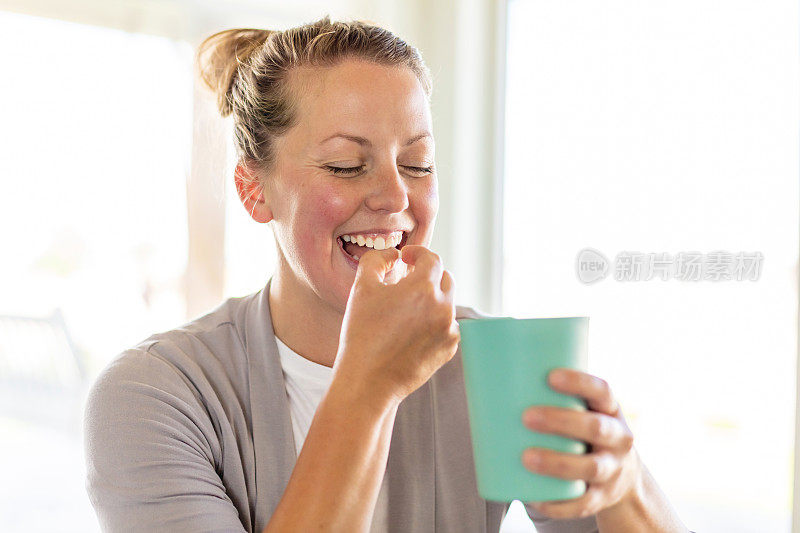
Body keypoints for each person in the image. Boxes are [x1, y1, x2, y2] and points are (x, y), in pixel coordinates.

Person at [83, 16, 690, 533]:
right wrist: (372, 380)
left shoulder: (492, 365)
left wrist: (624, 484)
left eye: (417, 163)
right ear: (252, 188)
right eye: (347, 165)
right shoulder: (154, 397)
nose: (395, 195)